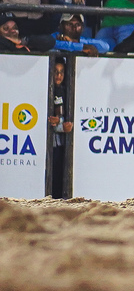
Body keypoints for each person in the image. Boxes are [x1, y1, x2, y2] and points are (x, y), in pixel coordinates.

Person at [47, 59, 69, 198]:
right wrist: (58, 124)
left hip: (60, 144)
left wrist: (61, 124)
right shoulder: (46, 88)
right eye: (55, 72)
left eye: (61, 72)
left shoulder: (66, 91)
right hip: (49, 144)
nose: (58, 76)